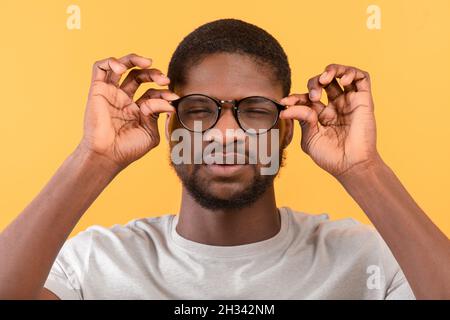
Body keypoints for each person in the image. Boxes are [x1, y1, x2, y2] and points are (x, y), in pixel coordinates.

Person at [0, 19, 448, 300]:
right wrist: (94, 157)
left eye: (254, 110)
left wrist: (362, 169)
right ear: (171, 126)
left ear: (287, 127)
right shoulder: (93, 263)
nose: (226, 132)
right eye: (199, 110)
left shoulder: (368, 259)